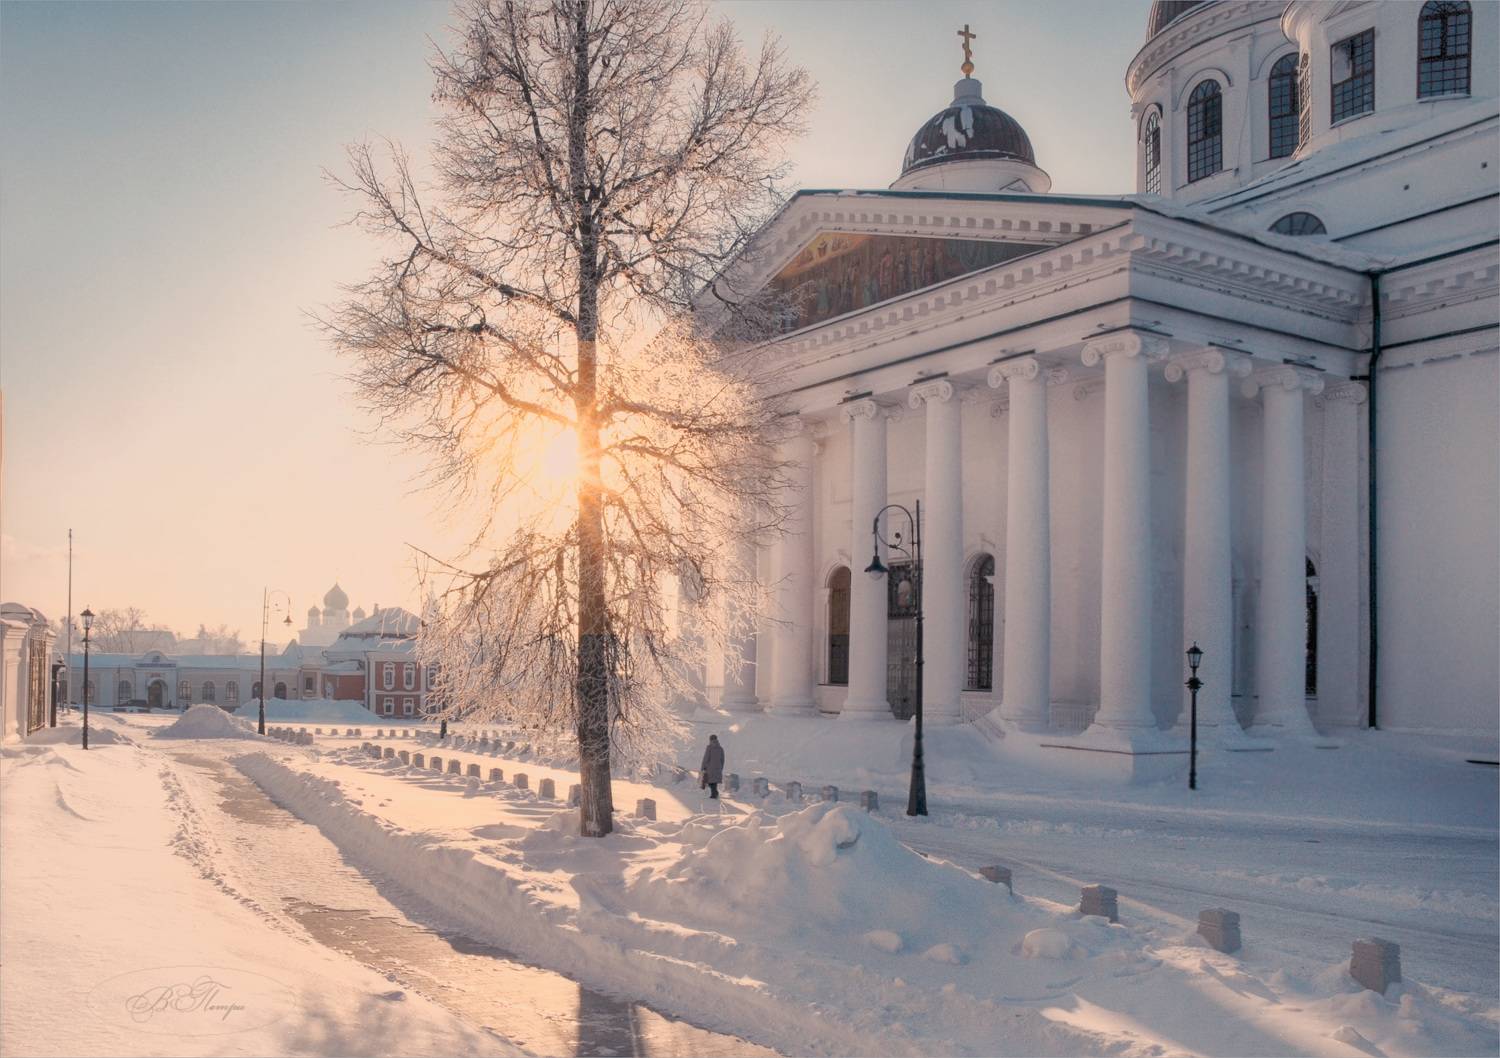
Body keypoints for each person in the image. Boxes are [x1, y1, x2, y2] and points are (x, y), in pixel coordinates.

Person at [699, 733, 725, 799]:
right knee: (714, 782)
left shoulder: (709, 748)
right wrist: (721, 767)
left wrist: (703, 767)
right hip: (718, 768)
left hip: (710, 768)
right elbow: (722, 759)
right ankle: (714, 793)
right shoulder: (720, 748)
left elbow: (706, 758)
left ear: (710, 740)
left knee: (710, 782)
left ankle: (714, 794)